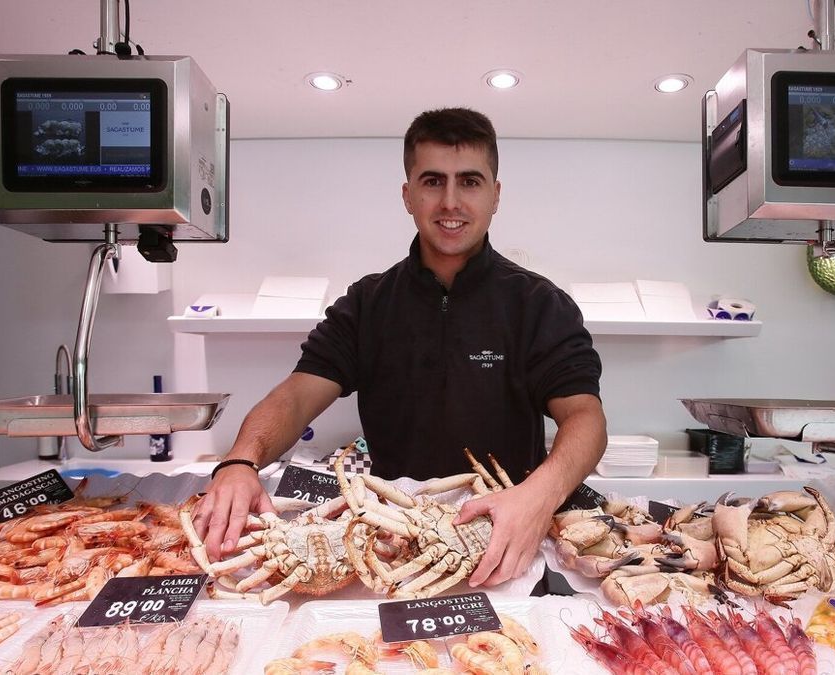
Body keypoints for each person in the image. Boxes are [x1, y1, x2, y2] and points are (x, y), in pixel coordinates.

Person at [193, 107, 607, 587]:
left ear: (496, 196)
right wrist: (241, 460)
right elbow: (296, 395)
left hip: (505, 543)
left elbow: (586, 418)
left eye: (470, 182)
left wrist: (540, 496)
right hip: (390, 550)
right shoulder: (369, 303)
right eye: (432, 181)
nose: (450, 202)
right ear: (408, 195)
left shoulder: (539, 304)